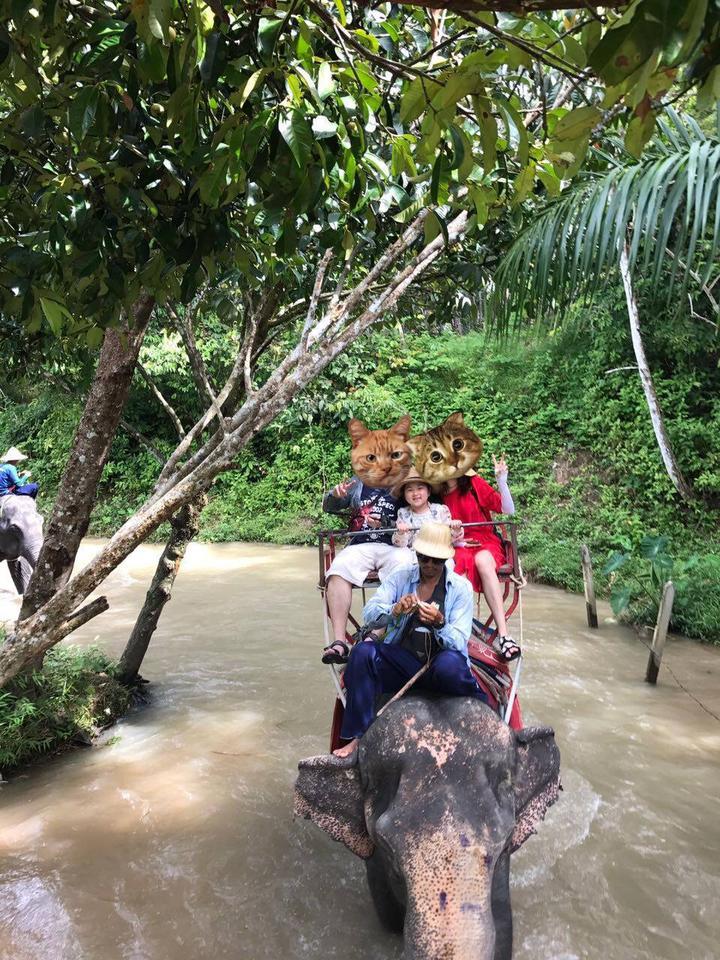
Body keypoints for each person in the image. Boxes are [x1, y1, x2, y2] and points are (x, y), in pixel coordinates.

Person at [334, 522, 489, 758]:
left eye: (436, 560)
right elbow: (369, 612)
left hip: (439, 665)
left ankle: (478, 717)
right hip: (403, 661)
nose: (429, 565)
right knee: (362, 653)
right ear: (417, 555)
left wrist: (439, 623)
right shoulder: (400, 577)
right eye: (424, 558)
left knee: (451, 664)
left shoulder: (460, 588)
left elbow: (458, 641)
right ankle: (358, 737)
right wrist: (394, 610)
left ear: (446, 559)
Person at [321, 476, 414, 664]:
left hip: (394, 544)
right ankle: (339, 642)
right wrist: (335, 495)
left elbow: (415, 511)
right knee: (338, 569)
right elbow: (328, 507)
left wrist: (385, 523)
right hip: (360, 543)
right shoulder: (357, 483)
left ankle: (379, 630)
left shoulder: (404, 482)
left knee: (407, 568)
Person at [442, 454, 519, 661]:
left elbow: (507, 510)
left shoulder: (473, 484)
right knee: (454, 564)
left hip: (484, 540)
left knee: (483, 560)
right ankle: (456, 628)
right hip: (455, 543)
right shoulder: (435, 493)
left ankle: (503, 634)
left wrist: (501, 480)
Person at [391, 469, 459, 550]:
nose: (415, 493)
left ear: (429, 492)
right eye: (410, 490)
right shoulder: (403, 513)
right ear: (404, 495)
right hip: (414, 555)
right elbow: (400, 544)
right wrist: (400, 532)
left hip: (439, 554)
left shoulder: (440, 510)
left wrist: (456, 528)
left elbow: (450, 537)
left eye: (420, 488)